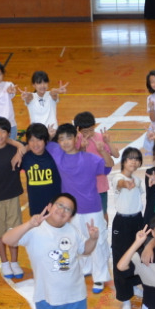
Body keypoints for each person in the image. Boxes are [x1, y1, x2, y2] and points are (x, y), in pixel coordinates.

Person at [1, 193, 100, 309]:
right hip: (46, 297)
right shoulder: (34, 229)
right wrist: (29, 224)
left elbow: (85, 250)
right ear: (50, 206)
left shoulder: (73, 231)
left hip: (75, 297)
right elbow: (7, 239)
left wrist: (93, 238)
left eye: (68, 209)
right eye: (60, 205)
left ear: (70, 217)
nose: (62, 211)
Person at [47, 123, 112, 294]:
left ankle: (100, 277)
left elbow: (108, 167)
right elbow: (43, 143)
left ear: (76, 138)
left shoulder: (90, 158)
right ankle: (85, 268)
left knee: (98, 242)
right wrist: (50, 135)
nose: (65, 142)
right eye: (61, 139)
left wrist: (103, 150)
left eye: (69, 138)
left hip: (92, 208)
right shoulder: (57, 153)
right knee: (79, 240)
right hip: (72, 211)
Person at [0, 117, 27, 280]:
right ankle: (5, 262)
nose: (0, 135)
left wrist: (19, 149)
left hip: (12, 196)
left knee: (14, 231)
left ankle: (14, 262)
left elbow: (26, 146)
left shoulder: (15, 148)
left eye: (3, 131)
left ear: (9, 133)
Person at [109, 146, 146, 309]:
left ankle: (133, 285)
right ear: (123, 161)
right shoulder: (117, 177)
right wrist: (126, 183)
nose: (134, 162)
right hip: (122, 223)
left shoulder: (138, 180)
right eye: (130, 158)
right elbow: (121, 183)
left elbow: (141, 189)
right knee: (121, 257)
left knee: (140, 255)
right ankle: (125, 298)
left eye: (137, 159)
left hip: (138, 220)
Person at [75, 111, 119, 216]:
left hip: (100, 185)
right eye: (85, 131)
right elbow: (75, 161)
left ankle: (104, 227)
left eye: (91, 130)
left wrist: (108, 142)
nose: (89, 134)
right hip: (84, 187)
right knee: (85, 215)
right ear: (78, 129)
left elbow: (116, 155)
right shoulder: (76, 140)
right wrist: (82, 148)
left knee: (103, 213)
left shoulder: (101, 137)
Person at [20, 122, 61, 217]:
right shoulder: (25, 157)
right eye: (31, 140)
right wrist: (19, 153)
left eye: (39, 140)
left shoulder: (54, 155)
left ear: (46, 140)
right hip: (36, 209)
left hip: (55, 207)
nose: (35, 144)